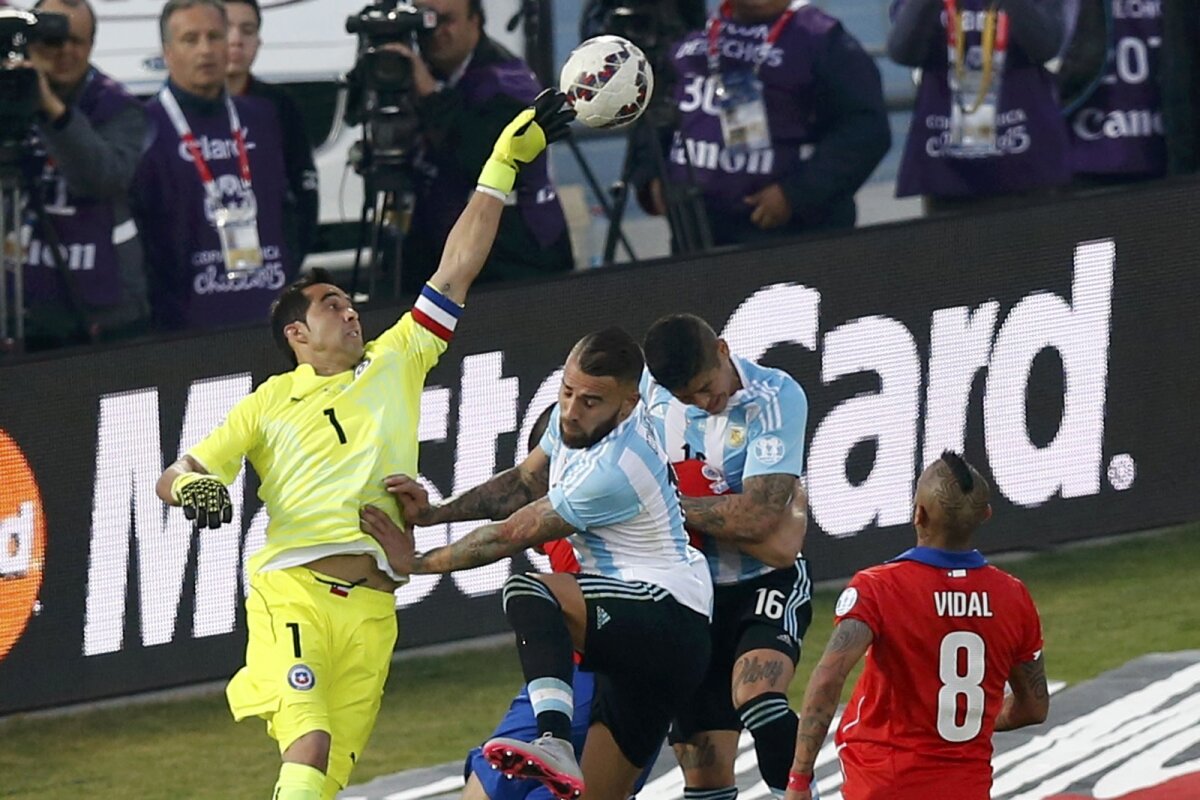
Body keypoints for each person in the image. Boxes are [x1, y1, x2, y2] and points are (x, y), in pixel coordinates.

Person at [153, 90, 574, 799]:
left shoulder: (395, 360)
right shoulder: (267, 404)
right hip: (297, 593)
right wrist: (191, 485)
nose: (350, 312)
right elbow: (180, 472)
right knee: (308, 742)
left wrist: (501, 165)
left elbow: (457, 266)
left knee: (328, 777)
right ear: (296, 334)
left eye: (351, 304)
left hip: (376, 608)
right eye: (331, 307)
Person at [360, 328, 714, 800]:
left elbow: (510, 534)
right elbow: (524, 481)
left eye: (590, 401)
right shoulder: (577, 424)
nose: (570, 409)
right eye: (567, 392)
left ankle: (555, 739)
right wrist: (434, 514)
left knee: (531, 591)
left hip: (665, 616)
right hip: (644, 647)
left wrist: (416, 563)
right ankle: (556, 742)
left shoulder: (614, 469)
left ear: (628, 405)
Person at [783, 452, 1049, 800]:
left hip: (883, 785)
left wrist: (799, 778)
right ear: (986, 515)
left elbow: (829, 676)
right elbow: (1034, 707)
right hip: (966, 789)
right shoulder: (1013, 597)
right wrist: (967, 722)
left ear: (918, 514)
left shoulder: (878, 588)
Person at [641, 313, 811, 799]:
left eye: (706, 387)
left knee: (758, 696)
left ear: (722, 349)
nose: (702, 402)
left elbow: (759, 518)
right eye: (686, 397)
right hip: (691, 593)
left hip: (764, 583)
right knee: (704, 771)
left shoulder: (776, 397)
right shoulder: (645, 392)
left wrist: (663, 503)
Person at [461, 404, 659, 800]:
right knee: (485, 784)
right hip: (565, 672)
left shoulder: (630, 497)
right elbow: (501, 517)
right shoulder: (551, 517)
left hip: (628, 673)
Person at [637, 0, 890, 247]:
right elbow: (651, 109)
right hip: (696, 234)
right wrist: (651, 177)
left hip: (789, 237)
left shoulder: (824, 39)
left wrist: (795, 195)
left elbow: (866, 130)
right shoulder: (690, 32)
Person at [384, 0, 572, 294]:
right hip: (445, 252)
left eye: (447, 20)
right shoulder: (418, 73)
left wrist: (432, 96)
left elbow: (486, 159)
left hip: (516, 258)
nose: (436, 32)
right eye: (426, 22)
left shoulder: (507, 82)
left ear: (476, 20)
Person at [132, 0, 292, 331]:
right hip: (186, 320)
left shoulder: (263, 117)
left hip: (267, 307)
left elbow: (291, 208)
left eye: (215, 36)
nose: (205, 49)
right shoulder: (143, 126)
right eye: (190, 39)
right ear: (167, 51)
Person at [17, 0, 148, 349]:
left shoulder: (120, 106)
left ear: (92, 45)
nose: (64, 51)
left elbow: (101, 178)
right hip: (21, 299)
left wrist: (48, 105)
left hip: (104, 307)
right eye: (52, 39)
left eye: (76, 41)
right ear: (30, 41)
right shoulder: (8, 97)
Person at [888, 0, 1070, 211]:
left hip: (1025, 160)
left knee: (1035, 242)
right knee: (953, 242)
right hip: (946, 166)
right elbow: (902, 51)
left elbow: (1046, 46)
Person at [224, 0, 320, 266]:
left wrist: (292, 256)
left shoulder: (280, 105)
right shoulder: (179, 110)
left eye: (247, 30)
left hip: (272, 261)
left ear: (258, 41)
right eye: (226, 28)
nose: (236, 40)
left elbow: (305, 185)